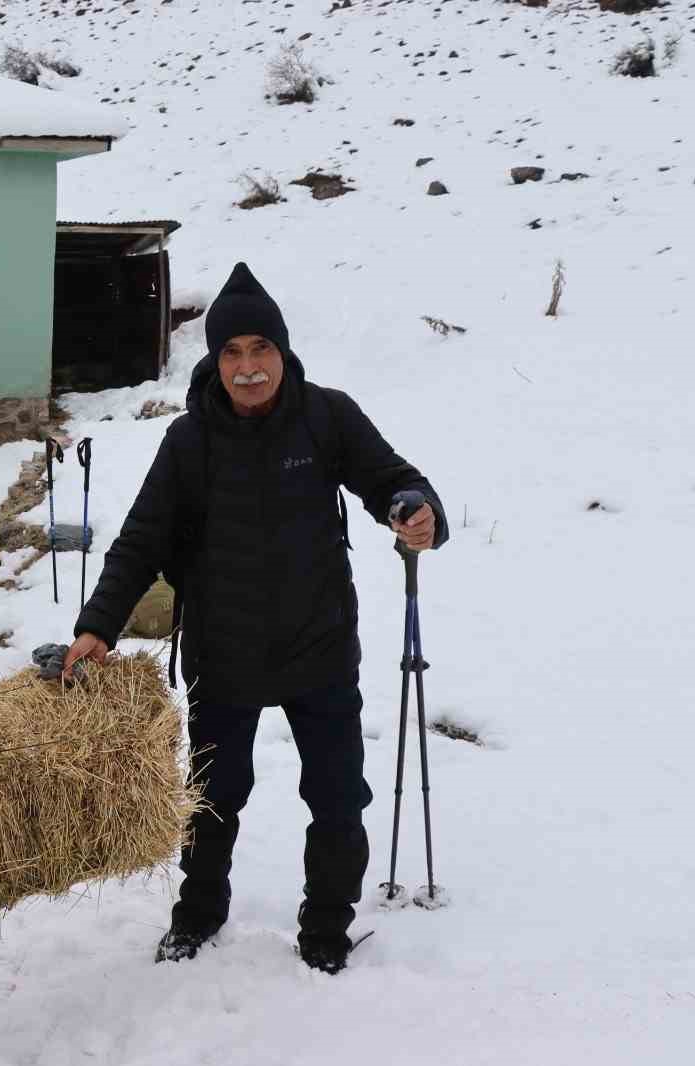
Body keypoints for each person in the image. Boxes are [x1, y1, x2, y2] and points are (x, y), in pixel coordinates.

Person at [64, 263, 448, 974]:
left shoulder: (328, 415)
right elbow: (142, 539)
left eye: (260, 350)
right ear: (215, 359)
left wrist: (417, 510)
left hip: (320, 645)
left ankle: (327, 926)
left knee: (338, 796)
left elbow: (392, 480)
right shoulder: (189, 440)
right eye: (231, 353)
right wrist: (99, 625)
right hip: (227, 648)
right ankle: (199, 914)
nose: (247, 368)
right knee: (214, 797)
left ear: (283, 351)